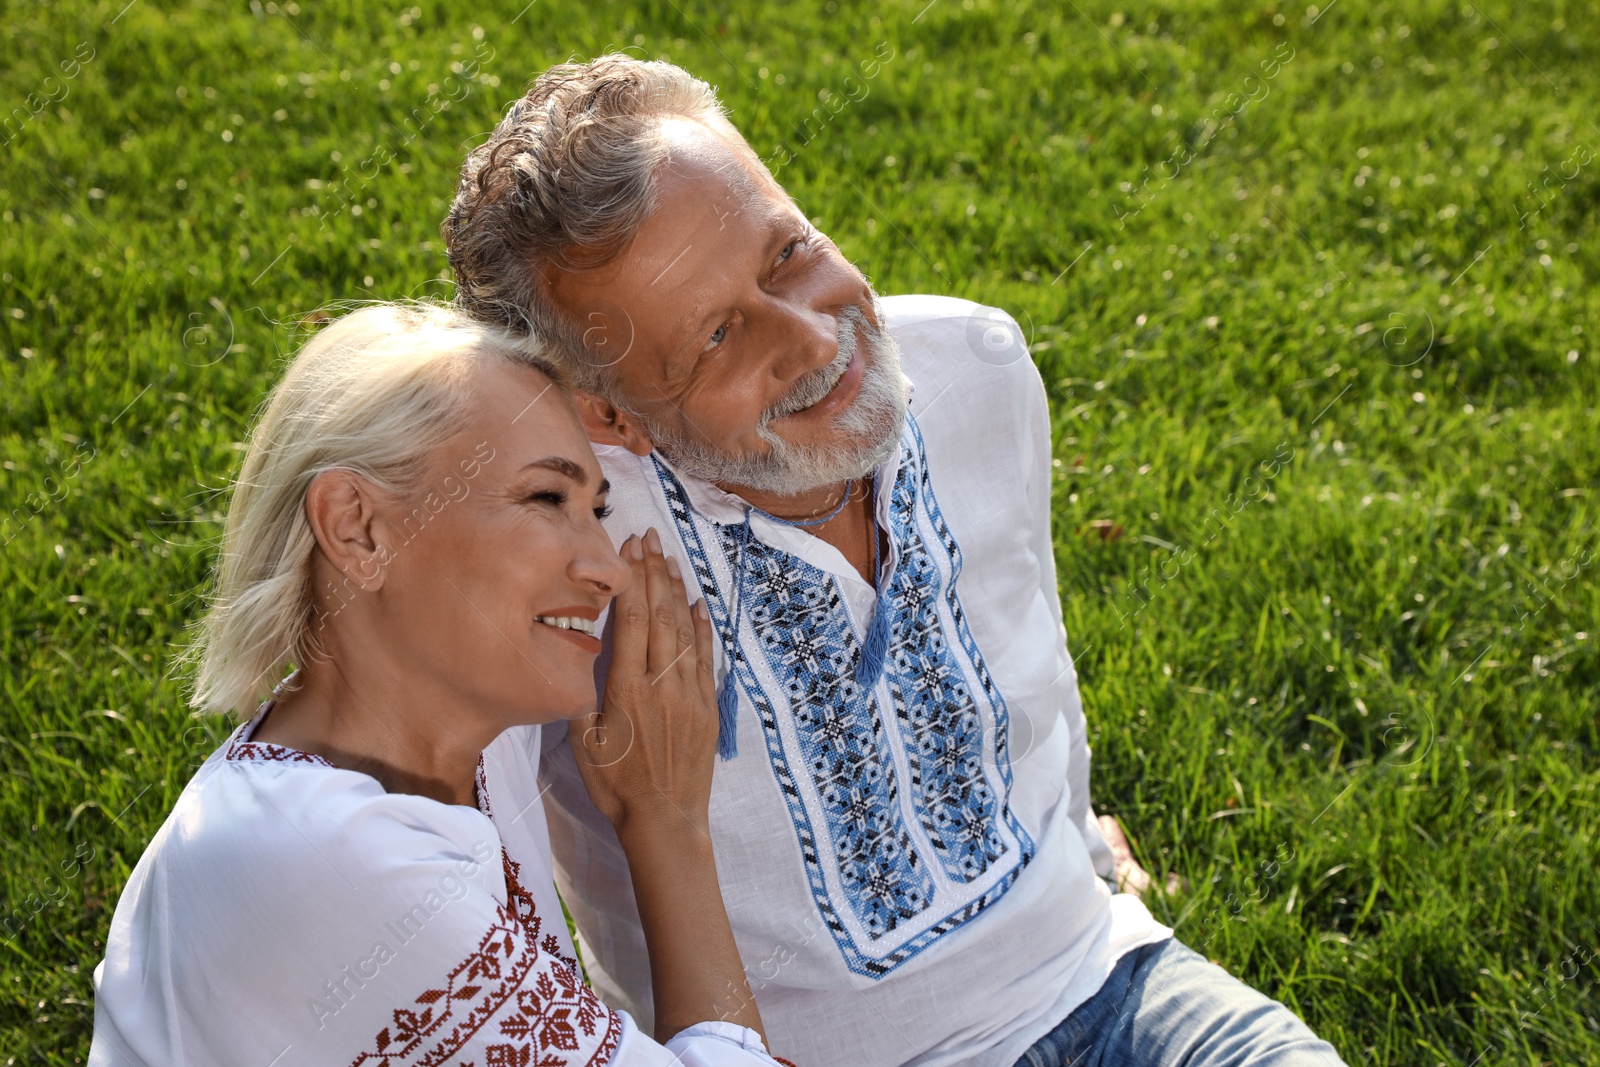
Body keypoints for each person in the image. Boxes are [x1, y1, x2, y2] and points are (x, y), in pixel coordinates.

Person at [442, 55, 1349, 1067]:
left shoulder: (976, 364)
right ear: (609, 412)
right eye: (715, 336)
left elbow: (1036, 650)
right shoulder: (558, 543)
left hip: (1104, 979)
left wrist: (1087, 852)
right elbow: (479, 890)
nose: (809, 335)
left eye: (787, 253)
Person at [88, 303, 793, 1066]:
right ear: (358, 528)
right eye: (547, 499)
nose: (608, 566)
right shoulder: (328, 858)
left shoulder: (461, 730)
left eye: (598, 507)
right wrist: (666, 822)